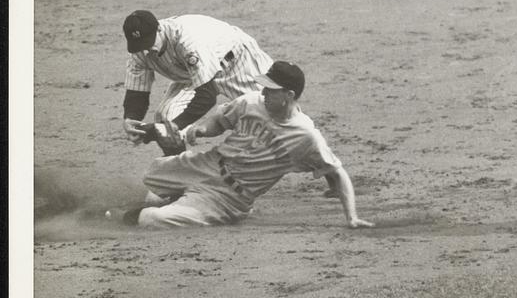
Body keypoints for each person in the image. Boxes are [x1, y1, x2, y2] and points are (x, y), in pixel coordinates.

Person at [110, 61, 374, 230]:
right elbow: (220, 120)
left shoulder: (305, 137)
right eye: (264, 87)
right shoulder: (251, 102)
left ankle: (116, 220)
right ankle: (173, 199)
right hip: (208, 165)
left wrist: (351, 216)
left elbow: (337, 172)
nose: (264, 93)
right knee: (152, 179)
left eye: (271, 90)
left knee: (153, 220)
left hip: (229, 199)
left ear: (289, 96)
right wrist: (202, 129)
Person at [121, 10, 273, 153]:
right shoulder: (139, 51)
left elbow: (207, 96)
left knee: (269, 111)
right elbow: (137, 91)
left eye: (149, 42)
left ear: (159, 29)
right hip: (190, 72)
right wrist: (131, 118)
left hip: (237, 61)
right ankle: (178, 170)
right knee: (167, 117)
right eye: (141, 45)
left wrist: (177, 125)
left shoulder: (188, 41)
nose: (146, 50)